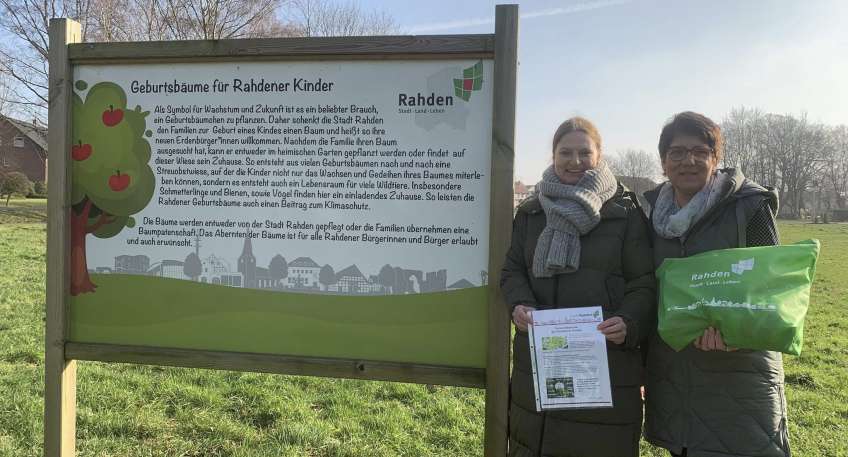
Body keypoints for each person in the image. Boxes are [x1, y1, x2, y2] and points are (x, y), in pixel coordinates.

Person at [500, 117, 656, 457]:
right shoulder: (531, 212)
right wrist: (519, 304)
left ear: (599, 155)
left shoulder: (624, 212)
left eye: (584, 152)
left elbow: (645, 283)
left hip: (607, 365)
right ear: (553, 155)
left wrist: (629, 322)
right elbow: (513, 270)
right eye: (565, 152)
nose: (575, 161)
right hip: (538, 365)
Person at [643, 111, 788, 457]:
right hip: (673, 378)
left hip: (739, 377)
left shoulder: (749, 207)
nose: (688, 161)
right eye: (677, 152)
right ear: (663, 162)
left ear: (715, 158)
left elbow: (772, 291)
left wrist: (738, 335)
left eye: (700, 151)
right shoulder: (648, 215)